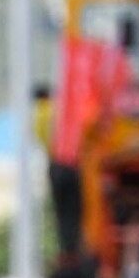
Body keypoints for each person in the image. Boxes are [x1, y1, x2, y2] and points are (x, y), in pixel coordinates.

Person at [35, 82, 84, 248]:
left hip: (54, 165)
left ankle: (66, 248)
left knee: (61, 212)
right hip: (71, 162)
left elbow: (41, 139)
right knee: (75, 210)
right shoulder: (58, 110)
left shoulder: (37, 115)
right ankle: (76, 247)